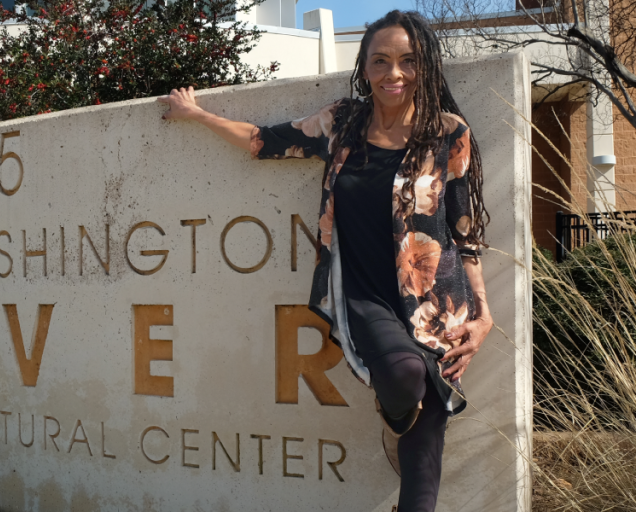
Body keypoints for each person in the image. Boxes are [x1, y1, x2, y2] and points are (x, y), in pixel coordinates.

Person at [157, 10, 493, 512]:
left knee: (425, 449)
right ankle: (395, 411)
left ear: (425, 66)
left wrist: (483, 315)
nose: (393, 74)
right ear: (365, 67)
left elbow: (465, 233)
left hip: (437, 302)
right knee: (404, 377)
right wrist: (198, 115)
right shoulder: (343, 123)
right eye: (380, 61)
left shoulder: (448, 133)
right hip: (362, 290)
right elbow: (262, 142)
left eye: (407, 61)